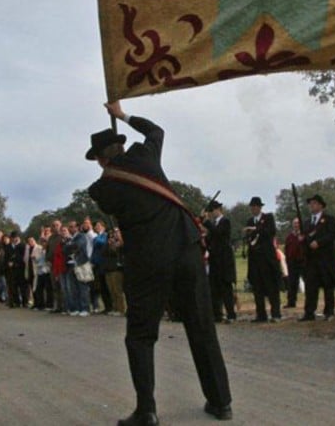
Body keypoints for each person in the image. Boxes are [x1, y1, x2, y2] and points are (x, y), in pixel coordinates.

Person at [87, 101, 232, 425]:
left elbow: (114, 195)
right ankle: (221, 402)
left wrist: (112, 163)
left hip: (148, 260)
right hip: (186, 249)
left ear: (100, 159)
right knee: (202, 327)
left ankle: (146, 410)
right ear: (121, 145)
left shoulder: (101, 188)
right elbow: (156, 130)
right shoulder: (146, 155)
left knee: (140, 335)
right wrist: (123, 115)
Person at [299, 195, 335, 322]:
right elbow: (306, 238)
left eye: (315, 203)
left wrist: (319, 242)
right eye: (310, 203)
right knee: (311, 287)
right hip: (311, 260)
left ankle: (329, 311)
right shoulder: (306, 222)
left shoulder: (329, 219)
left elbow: (332, 235)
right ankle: (309, 312)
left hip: (325, 259)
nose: (312, 206)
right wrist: (303, 240)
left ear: (321, 205)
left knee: (328, 286)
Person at [244, 196, 281, 323]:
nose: (253, 209)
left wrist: (255, 229)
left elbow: (270, 232)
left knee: (271, 287)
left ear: (260, 207)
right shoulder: (250, 221)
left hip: (267, 259)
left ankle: (276, 313)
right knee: (257, 288)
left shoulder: (268, 218)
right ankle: (261, 314)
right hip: (255, 259)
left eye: (255, 207)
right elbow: (249, 238)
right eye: (252, 207)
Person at [204, 200, 236, 323]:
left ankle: (231, 314)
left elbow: (219, 234)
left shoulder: (225, 222)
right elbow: (210, 240)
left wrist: (206, 222)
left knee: (226, 289)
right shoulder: (212, 225)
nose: (212, 213)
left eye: (213, 210)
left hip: (224, 261)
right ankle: (217, 314)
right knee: (214, 289)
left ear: (219, 210)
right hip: (214, 261)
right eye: (211, 211)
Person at [283, 218, 304, 309]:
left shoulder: (304, 235)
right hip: (292, 262)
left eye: (298, 223)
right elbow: (286, 249)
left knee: (308, 281)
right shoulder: (289, 237)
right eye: (295, 223)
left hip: (303, 261)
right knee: (292, 283)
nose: (296, 225)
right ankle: (291, 302)